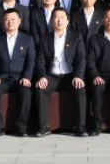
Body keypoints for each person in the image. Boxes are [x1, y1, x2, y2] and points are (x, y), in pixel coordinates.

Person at [34, 8, 87, 137]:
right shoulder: (45, 39)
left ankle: (80, 127)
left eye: (62, 17)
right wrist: (42, 77)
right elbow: (40, 61)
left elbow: (81, 59)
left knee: (80, 88)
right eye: (56, 17)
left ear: (67, 21)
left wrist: (78, 76)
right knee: (40, 89)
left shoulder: (76, 37)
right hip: (52, 76)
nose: (59, 20)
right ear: (52, 21)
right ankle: (43, 127)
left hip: (70, 76)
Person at [0, 9, 36, 137]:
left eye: (13, 19)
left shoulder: (28, 39)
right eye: (7, 20)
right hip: (2, 78)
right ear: (3, 22)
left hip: (20, 78)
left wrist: (27, 77)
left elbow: (31, 61)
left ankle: (22, 127)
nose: (10, 22)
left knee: (26, 92)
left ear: (19, 21)